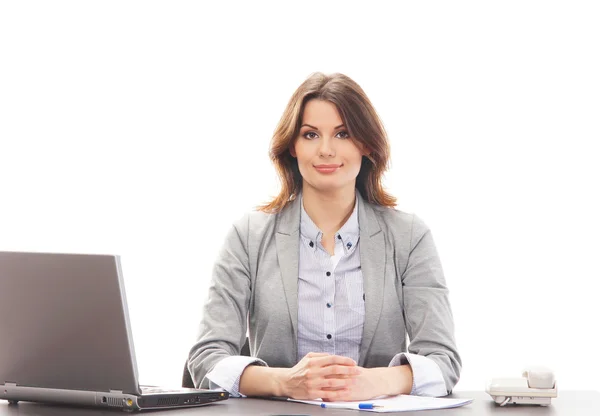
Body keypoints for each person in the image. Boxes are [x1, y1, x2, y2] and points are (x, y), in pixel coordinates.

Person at [187, 72, 461, 401]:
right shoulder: (248, 236)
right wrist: (285, 381)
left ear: (366, 143)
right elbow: (206, 359)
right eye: (311, 134)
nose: (326, 150)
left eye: (343, 133)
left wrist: (375, 382)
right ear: (292, 145)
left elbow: (442, 361)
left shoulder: (409, 237)